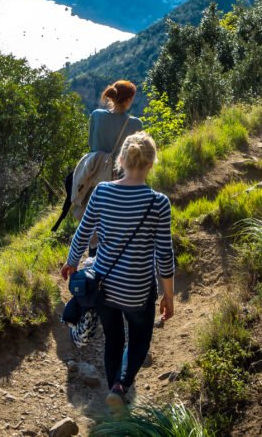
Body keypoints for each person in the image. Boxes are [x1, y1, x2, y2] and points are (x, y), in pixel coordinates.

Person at [60, 132, 175, 410]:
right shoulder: (159, 203)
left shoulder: (102, 192)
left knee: (113, 338)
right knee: (139, 339)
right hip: (137, 289)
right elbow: (164, 255)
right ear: (151, 164)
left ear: (120, 160)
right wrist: (168, 295)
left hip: (104, 286)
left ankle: (114, 392)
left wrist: (71, 262)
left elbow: (83, 233)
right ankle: (120, 386)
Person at [55, 80, 143, 239]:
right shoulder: (136, 123)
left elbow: (91, 144)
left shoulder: (96, 115)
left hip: (92, 175)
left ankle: (93, 257)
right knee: (114, 224)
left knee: (92, 220)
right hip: (120, 178)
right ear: (129, 99)